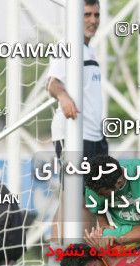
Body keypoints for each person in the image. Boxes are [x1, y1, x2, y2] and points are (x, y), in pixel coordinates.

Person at [46, 0, 107, 244]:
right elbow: (52, 83)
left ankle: (67, 254)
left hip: (94, 135)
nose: (93, 20)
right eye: (87, 15)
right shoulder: (68, 46)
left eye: (96, 14)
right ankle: (66, 254)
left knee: (83, 198)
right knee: (78, 198)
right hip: (72, 132)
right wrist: (63, 96)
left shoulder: (88, 50)